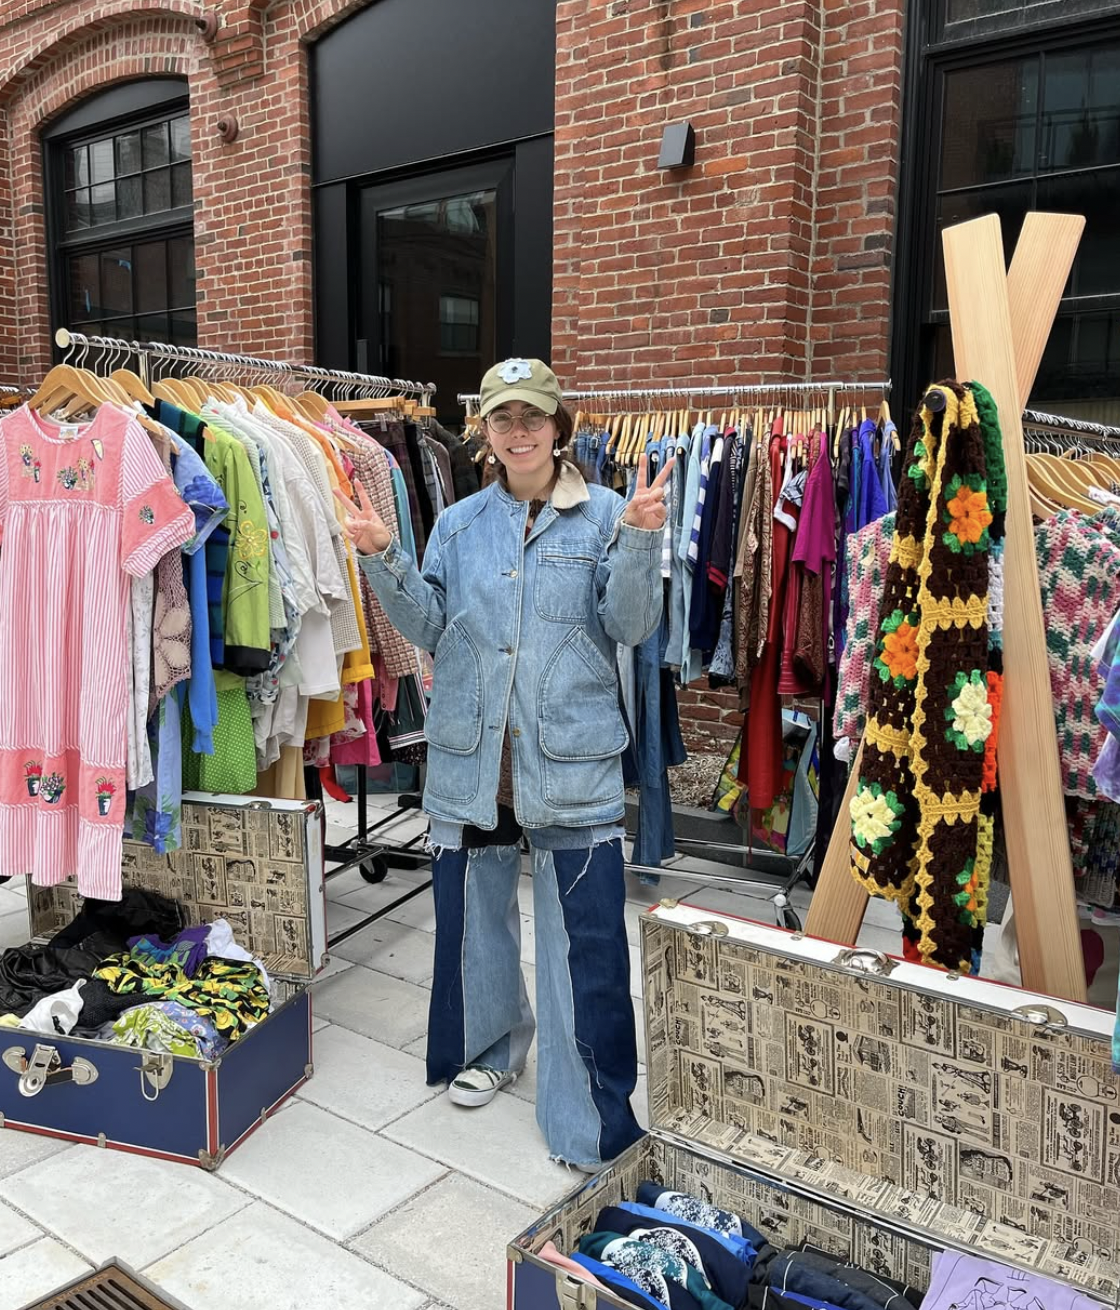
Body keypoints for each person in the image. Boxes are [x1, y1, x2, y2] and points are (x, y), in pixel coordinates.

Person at [335, 358, 672, 1170]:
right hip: (475, 760)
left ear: (559, 426)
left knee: (581, 943)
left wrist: (640, 538)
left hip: (571, 761)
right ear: (484, 431)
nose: (519, 432)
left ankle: (584, 1111)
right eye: (502, 419)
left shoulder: (607, 515)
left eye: (533, 417)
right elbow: (430, 626)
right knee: (478, 922)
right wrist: (384, 556)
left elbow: (630, 627)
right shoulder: (458, 525)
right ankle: (491, 1050)